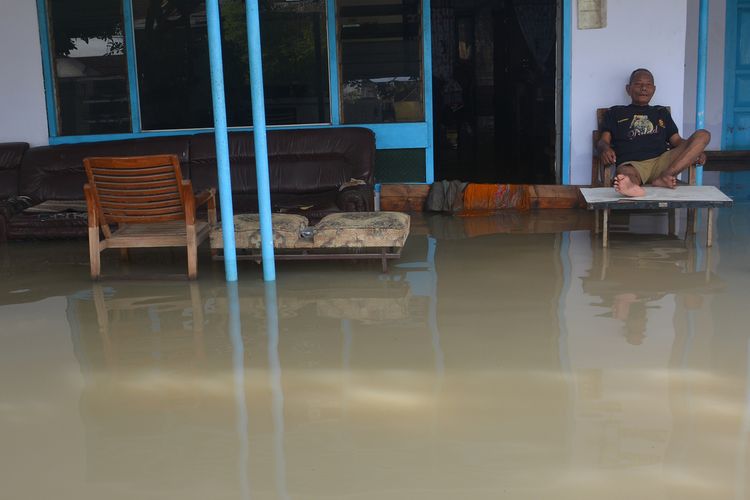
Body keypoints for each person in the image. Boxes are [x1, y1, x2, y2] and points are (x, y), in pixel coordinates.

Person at [597, 68, 710, 197]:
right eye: (638, 84)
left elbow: (677, 141)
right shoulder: (615, 112)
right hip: (633, 164)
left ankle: (666, 176)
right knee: (626, 175)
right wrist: (604, 148)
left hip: (663, 162)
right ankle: (630, 186)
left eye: (648, 85)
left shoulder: (661, 112)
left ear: (654, 89)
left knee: (703, 135)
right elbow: (603, 141)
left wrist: (696, 149)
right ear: (628, 89)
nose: (644, 88)